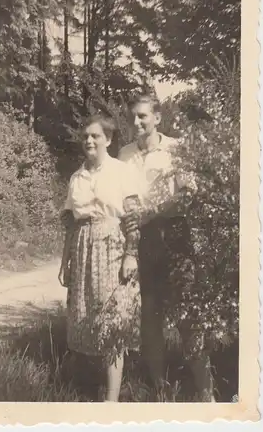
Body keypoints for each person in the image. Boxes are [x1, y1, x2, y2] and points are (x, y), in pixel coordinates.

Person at [119, 94, 216, 402]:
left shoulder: (175, 148)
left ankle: (206, 391)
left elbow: (188, 194)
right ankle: (160, 389)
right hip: (142, 240)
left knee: (188, 314)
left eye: (142, 116)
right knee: (150, 315)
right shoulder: (124, 154)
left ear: (157, 118)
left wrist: (155, 211)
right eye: (133, 116)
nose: (136, 122)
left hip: (175, 235)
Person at [58, 114, 142, 402]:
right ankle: (88, 384)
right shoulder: (76, 177)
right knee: (86, 316)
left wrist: (130, 255)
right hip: (83, 248)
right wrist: (64, 261)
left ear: (109, 139)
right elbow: (70, 222)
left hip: (113, 246)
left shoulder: (121, 171)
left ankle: (112, 398)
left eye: (95, 136)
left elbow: (132, 217)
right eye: (85, 136)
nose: (89, 141)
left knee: (112, 318)